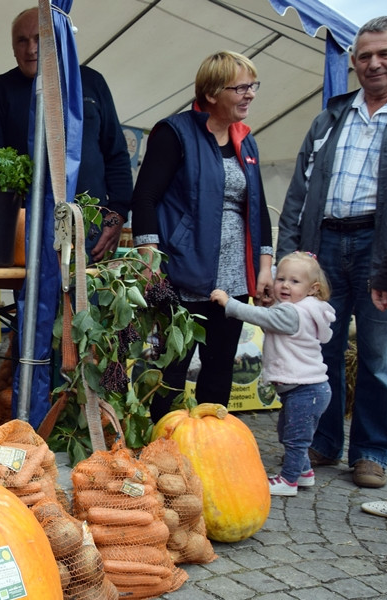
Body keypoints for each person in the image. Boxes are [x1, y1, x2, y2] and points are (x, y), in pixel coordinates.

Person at [276, 16, 387, 489]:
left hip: (379, 248)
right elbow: (298, 194)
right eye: (364, 56)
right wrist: (288, 255)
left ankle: (371, 451)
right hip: (323, 245)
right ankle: (321, 443)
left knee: (378, 355)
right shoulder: (331, 115)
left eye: (385, 53)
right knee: (317, 350)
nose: (374, 63)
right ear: (353, 61)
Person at [130, 51, 274, 422]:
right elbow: (145, 197)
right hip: (182, 269)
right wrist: (149, 258)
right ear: (211, 93)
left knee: (220, 365)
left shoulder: (247, 140)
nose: (250, 95)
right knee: (174, 366)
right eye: (240, 87)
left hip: (234, 278)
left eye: (252, 86)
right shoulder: (175, 133)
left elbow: (256, 206)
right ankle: (162, 442)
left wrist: (265, 266)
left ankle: (213, 444)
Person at [0, 6, 133, 262]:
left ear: (60, 40)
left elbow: (117, 157)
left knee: (87, 302)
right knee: (33, 303)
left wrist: (115, 219)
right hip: (27, 232)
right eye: (21, 41)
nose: (31, 48)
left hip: (90, 229)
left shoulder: (91, 83)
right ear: (13, 48)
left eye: (39, 38)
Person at [211, 252, 335, 496]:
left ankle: (288, 481)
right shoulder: (300, 309)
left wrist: (230, 304)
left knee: (296, 438)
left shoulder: (294, 313)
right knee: (289, 432)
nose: (285, 285)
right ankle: (304, 473)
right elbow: (272, 318)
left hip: (306, 390)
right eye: (281, 279)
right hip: (304, 390)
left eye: (294, 281)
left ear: (313, 288)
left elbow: (263, 318)